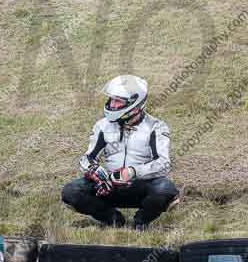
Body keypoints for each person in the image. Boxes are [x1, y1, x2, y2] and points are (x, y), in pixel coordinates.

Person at [61, 75, 178, 230]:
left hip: (141, 186)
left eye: (117, 101)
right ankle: (113, 219)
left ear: (135, 104)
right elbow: (86, 158)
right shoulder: (102, 125)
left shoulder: (156, 127)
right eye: (111, 99)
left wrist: (132, 172)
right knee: (71, 191)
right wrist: (93, 170)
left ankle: (140, 222)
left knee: (166, 189)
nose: (111, 104)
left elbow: (163, 164)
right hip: (108, 186)